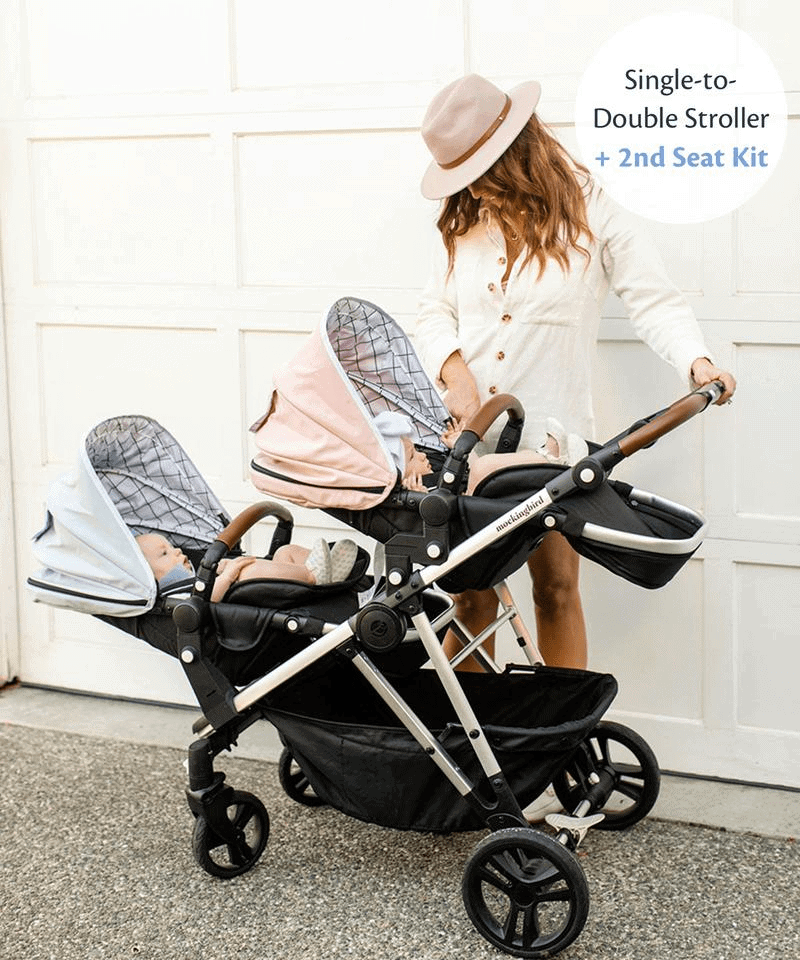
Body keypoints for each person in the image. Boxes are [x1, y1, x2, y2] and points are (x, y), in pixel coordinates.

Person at [413, 73, 737, 673]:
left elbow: (653, 299)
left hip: (553, 448)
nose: (476, 192)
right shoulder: (463, 222)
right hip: (466, 443)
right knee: (471, 596)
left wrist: (696, 358)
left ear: (515, 155)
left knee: (555, 589)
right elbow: (434, 310)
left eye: (481, 174)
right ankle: (470, 744)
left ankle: (562, 742)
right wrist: (454, 371)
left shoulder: (592, 208)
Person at [135, 533, 359, 602]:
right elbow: (207, 598)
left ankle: (329, 570)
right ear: (150, 575)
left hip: (279, 582)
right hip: (258, 593)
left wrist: (221, 566)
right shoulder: (174, 595)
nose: (177, 551)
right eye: (164, 553)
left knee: (284, 552)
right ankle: (313, 576)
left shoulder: (192, 574)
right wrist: (229, 574)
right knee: (247, 572)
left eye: (172, 546)